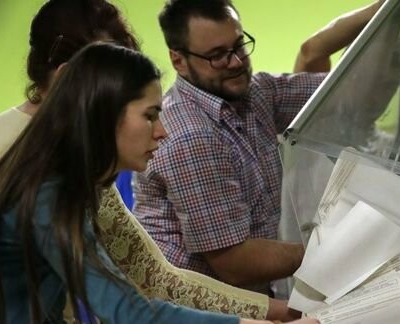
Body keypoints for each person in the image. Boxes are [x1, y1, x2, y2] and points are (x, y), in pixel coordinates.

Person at [0, 42, 336, 324]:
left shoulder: (62, 187)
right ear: (104, 117)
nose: (162, 131)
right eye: (150, 116)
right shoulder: (50, 197)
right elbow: (135, 317)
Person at [134, 0, 383, 291]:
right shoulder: (191, 137)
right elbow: (235, 264)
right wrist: (334, 250)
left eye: (239, 46)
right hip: (193, 309)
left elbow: (348, 92)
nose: (236, 62)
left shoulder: (255, 94)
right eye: (217, 56)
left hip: (242, 297)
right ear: (178, 61)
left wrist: (384, 8)